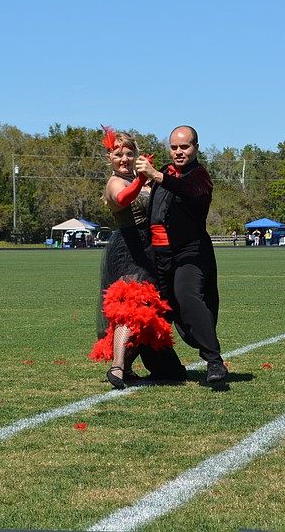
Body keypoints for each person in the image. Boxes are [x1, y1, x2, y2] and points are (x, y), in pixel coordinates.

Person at [89, 126, 186, 388]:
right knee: (131, 306)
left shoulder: (145, 180)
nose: (124, 159)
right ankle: (118, 367)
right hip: (129, 247)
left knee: (150, 310)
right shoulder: (115, 182)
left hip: (153, 248)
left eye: (129, 154)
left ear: (136, 155)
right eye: (118, 154)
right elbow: (122, 198)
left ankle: (130, 364)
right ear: (110, 157)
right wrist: (142, 181)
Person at [135, 125, 227, 383]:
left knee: (187, 296)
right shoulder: (164, 172)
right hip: (159, 255)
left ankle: (214, 361)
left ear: (196, 148)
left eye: (184, 147)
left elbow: (192, 192)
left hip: (191, 251)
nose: (178, 152)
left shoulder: (200, 176)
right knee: (152, 311)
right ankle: (165, 368)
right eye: (174, 147)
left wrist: (157, 176)